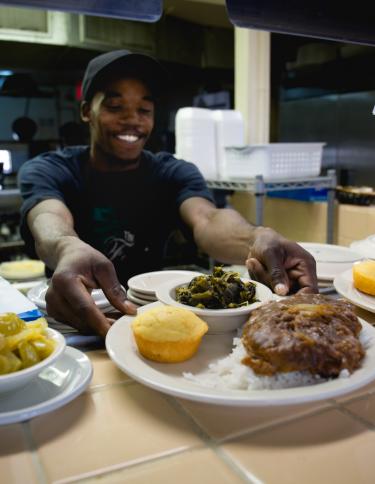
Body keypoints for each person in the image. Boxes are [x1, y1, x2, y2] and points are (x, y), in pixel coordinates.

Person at [18, 50, 318, 338]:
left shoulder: (171, 171)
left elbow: (208, 219)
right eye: (115, 106)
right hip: (71, 314)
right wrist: (67, 247)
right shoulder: (51, 168)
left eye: (144, 110)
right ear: (87, 111)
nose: (132, 119)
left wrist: (256, 238)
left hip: (152, 318)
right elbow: (47, 216)